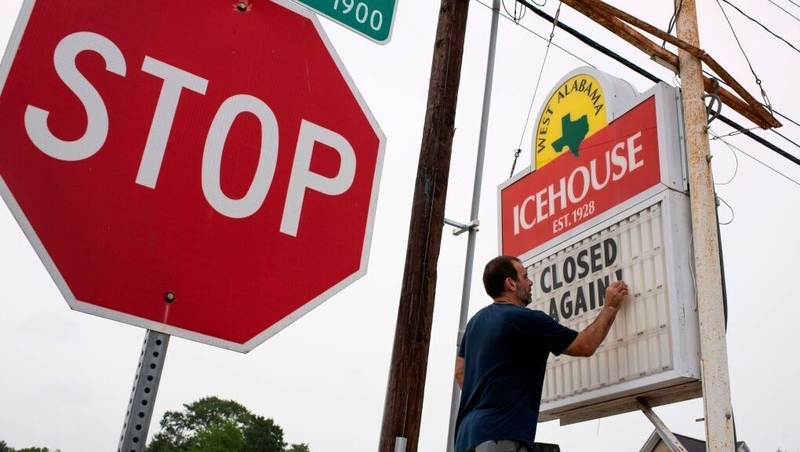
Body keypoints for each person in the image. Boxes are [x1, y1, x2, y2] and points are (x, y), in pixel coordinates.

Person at [453, 255, 629, 452]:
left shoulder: (475, 322)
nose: (530, 282)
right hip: (501, 436)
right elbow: (585, 345)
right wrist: (611, 307)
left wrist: (491, 392)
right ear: (510, 283)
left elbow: (460, 372)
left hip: (466, 438)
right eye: (525, 276)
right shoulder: (526, 319)